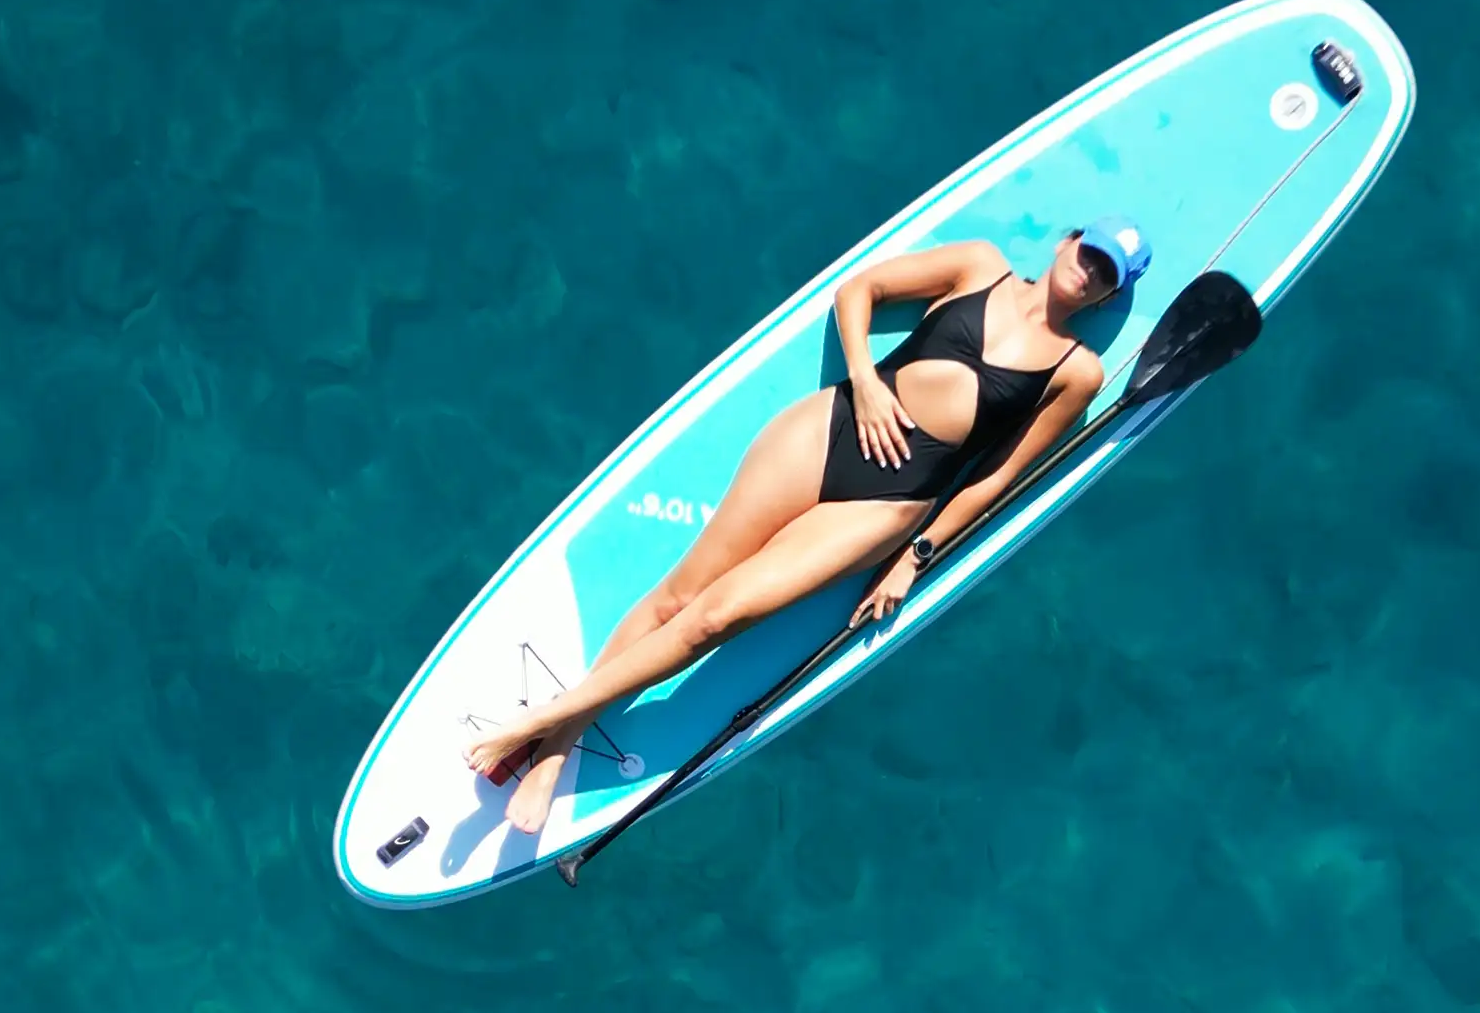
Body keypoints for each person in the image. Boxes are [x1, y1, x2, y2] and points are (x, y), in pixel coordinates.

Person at [466, 216, 1152, 831]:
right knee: (680, 595)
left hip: (890, 502)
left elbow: (995, 478)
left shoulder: (1078, 372)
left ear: (1106, 296)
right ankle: (557, 745)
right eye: (1089, 252)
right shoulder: (978, 265)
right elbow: (859, 291)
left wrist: (915, 555)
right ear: (1067, 241)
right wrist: (868, 380)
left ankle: (542, 721)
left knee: (716, 618)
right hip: (832, 428)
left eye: (1104, 275)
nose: (1087, 270)